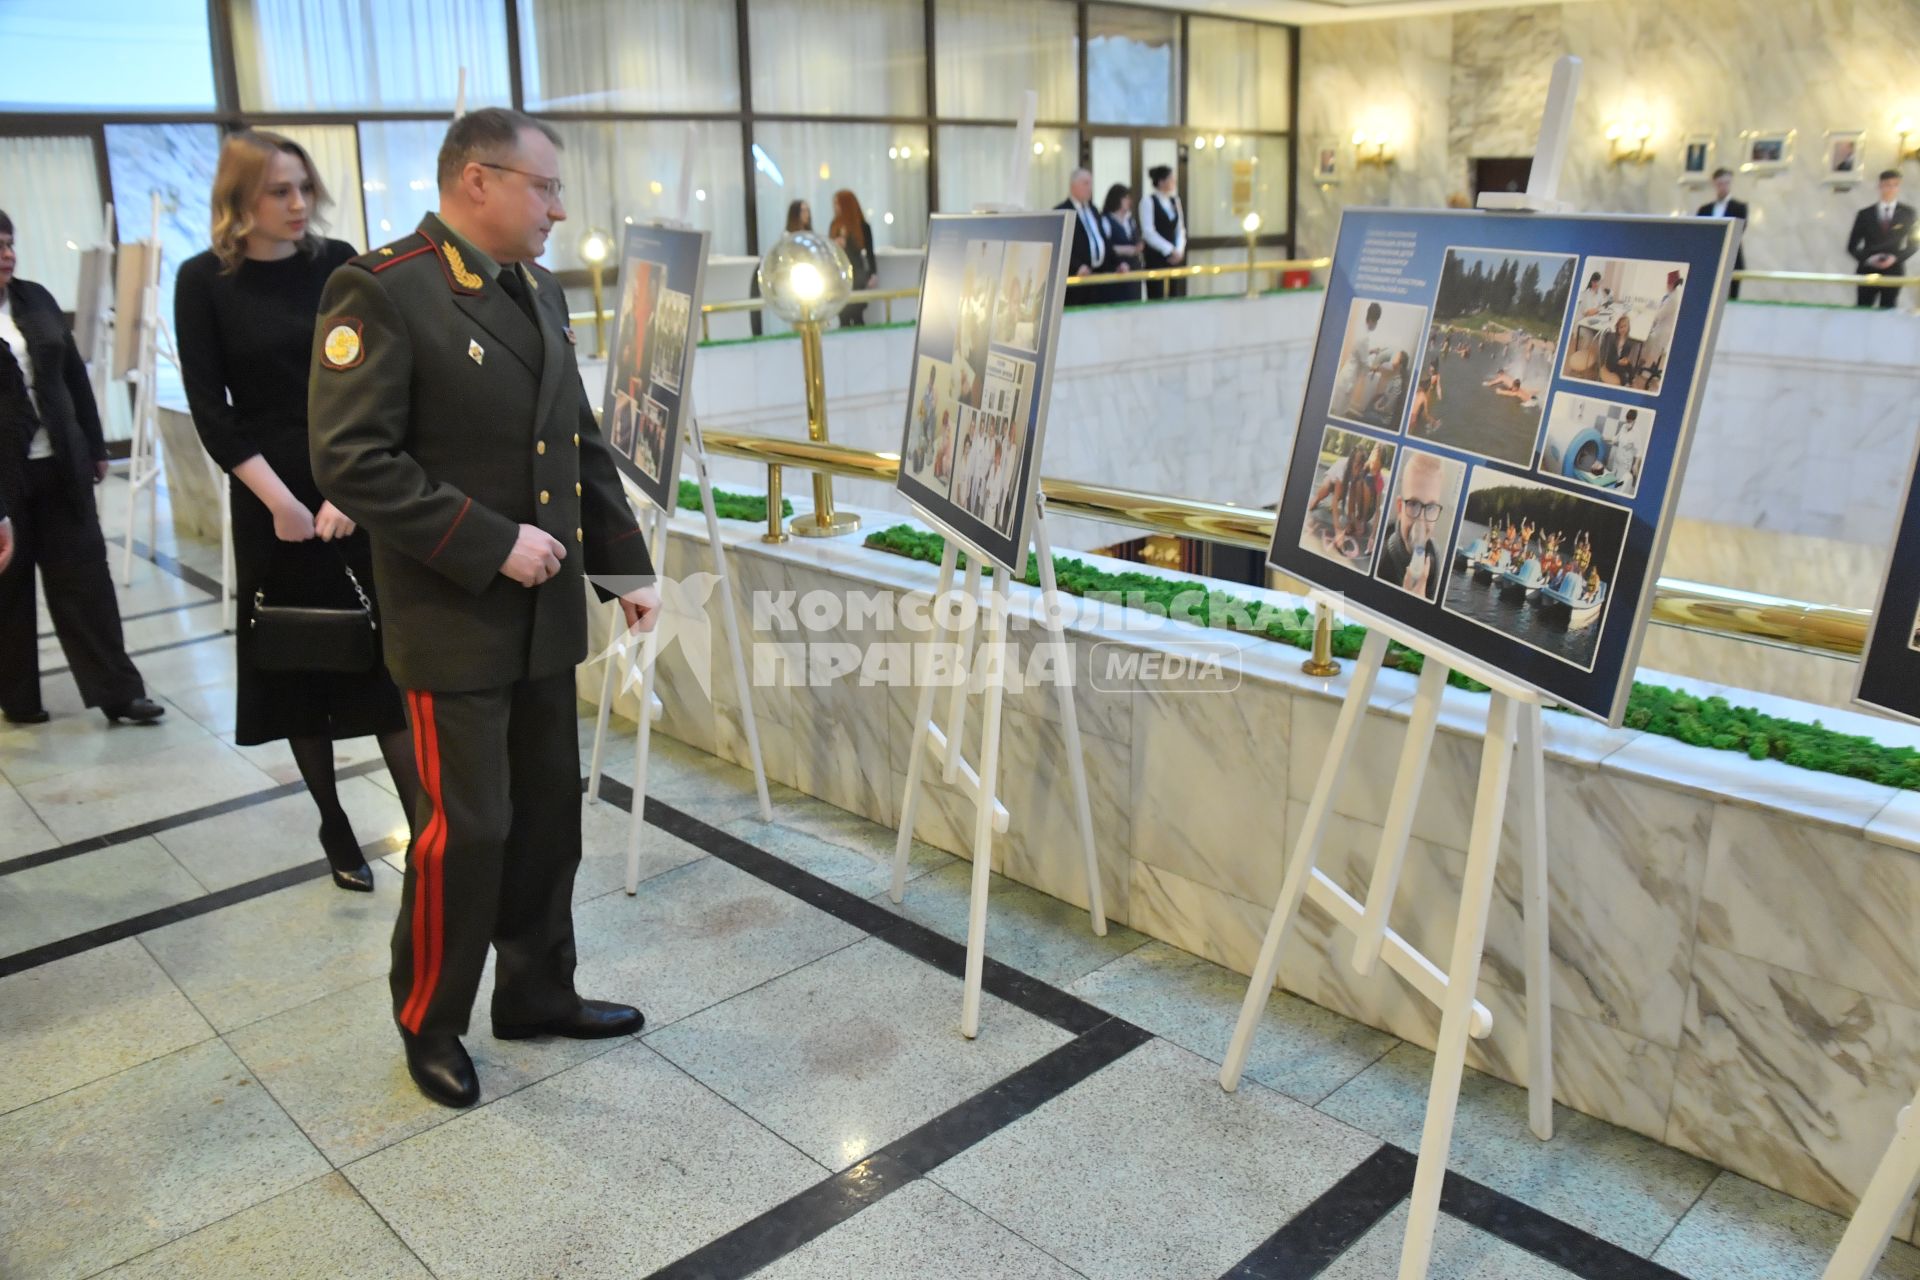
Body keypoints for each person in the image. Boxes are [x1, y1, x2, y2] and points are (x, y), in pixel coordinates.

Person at [308, 107, 661, 1110]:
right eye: (544, 186)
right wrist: (491, 540)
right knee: (466, 832)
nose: (559, 206)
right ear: (477, 181)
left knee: (547, 818)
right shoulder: (382, 291)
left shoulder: (536, 287)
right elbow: (351, 460)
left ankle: (539, 989)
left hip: (545, 616)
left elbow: (575, 441)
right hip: (453, 619)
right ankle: (431, 1017)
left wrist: (624, 568)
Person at [175, 131, 418, 894]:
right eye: (279, 190)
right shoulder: (202, 281)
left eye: (303, 188)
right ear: (239, 199)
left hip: (352, 481)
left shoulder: (338, 263)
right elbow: (211, 410)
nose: (297, 204)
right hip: (266, 498)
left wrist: (348, 489)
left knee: (385, 661)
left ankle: (425, 821)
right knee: (296, 662)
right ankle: (334, 822)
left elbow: (378, 378)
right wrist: (282, 504)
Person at [0, 211, 164, 728]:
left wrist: (94, 445)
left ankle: (119, 693)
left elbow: (72, 374)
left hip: (59, 464)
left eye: (10, 243)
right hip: (3, 480)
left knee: (86, 580)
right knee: (7, 587)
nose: (8, 254)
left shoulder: (36, 297)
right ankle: (18, 697)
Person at [1376, 452, 1448, 601]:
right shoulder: (1381, 561)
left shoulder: (1434, 559)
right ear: (1400, 507)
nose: (1421, 522)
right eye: (1413, 504)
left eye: (1430, 507)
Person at [1847, 170, 1916, 309]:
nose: (1890, 189)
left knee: (1888, 312)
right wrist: (1868, 259)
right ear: (1879, 186)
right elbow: (1852, 246)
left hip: (1894, 271)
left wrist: (1894, 258)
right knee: (1863, 310)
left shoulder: (1909, 213)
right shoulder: (1865, 214)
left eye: (1894, 185)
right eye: (1887, 185)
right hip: (1867, 270)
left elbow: (1914, 244)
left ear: (1899, 187)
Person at [1056, 168, 1107, 307]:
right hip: (1076, 281)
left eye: (1090, 184)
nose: (1089, 188)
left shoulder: (1093, 210)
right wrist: (1077, 266)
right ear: (1074, 186)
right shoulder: (1062, 211)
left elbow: (1102, 240)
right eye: (1086, 183)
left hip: (1097, 279)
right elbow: (1060, 244)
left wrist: (1118, 263)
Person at [1697, 169, 1748, 299]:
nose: (1723, 187)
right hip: (1710, 256)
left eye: (1727, 183)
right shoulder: (1705, 209)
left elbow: (1739, 231)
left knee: (1732, 296)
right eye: (1720, 183)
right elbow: (1701, 233)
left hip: (1732, 256)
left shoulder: (1739, 207)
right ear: (1715, 184)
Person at [828, 189, 876, 327]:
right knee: (843, 314)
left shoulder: (862, 226)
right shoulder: (834, 225)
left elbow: (869, 252)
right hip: (839, 273)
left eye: (837, 204)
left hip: (857, 273)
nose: (835, 207)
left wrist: (873, 273)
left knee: (857, 312)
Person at [1139, 165, 1186, 299]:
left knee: (1174, 293)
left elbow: (1180, 228)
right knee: (1157, 293)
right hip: (1156, 256)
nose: (1174, 182)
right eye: (1171, 179)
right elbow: (1148, 232)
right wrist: (1169, 249)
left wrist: (1179, 250)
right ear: (1161, 181)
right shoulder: (1148, 201)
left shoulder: (1175, 201)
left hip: (1175, 257)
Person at [1637, 270, 1683, 391]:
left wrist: (1649, 312)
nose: (1666, 285)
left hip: (1663, 332)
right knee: (1650, 347)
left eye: (1668, 284)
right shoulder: (1670, 295)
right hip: (1660, 328)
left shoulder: (1673, 299)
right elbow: (1660, 307)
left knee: (1653, 349)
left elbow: (1659, 315)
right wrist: (1652, 307)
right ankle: (1646, 363)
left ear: (1672, 284)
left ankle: (1646, 373)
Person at [1100, 183, 1142, 304]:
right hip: (1117, 269)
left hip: (1134, 270)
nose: (1129, 201)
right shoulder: (1106, 220)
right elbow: (1105, 246)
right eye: (1125, 198)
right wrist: (1125, 249)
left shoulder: (1130, 220)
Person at [1596, 314, 1636, 386]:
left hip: (1620, 360)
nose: (1623, 329)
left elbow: (1626, 353)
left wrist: (1625, 359)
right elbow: (1609, 355)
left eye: (1625, 326)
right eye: (1621, 327)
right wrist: (1618, 361)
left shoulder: (1628, 340)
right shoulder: (1612, 339)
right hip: (1612, 362)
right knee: (1622, 372)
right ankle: (1625, 384)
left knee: (1630, 367)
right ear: (1617, 328)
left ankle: (1631, 379)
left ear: (1628, 327)